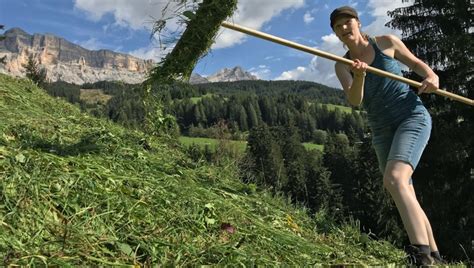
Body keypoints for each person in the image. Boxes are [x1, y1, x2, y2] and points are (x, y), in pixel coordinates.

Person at [330, 6, 444, 266]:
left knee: (395, 179)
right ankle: (436, 256)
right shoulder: (341, 65)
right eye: (338, 27)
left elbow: (415, 64)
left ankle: (421, 256)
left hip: (410, 117)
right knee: (403, 188)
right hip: (381, 130)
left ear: (358, 23)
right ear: (336, 34)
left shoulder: (386, 43)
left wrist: (431, 76)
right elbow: (355, 100)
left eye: (347, 22)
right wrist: (359, 75)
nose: (344, 28)